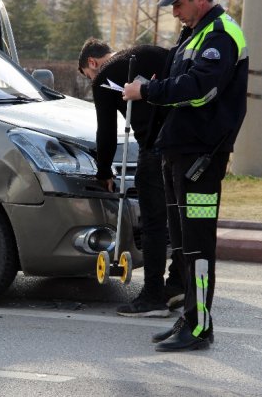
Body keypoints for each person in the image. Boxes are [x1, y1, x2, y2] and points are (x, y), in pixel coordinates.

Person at [122, 0, 248, 351]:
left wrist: (148, 91)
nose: (174, 12)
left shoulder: (221, 34)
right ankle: (190, 319)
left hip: (202, 158)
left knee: (198, 247)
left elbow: (201, 89)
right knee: (184, 246)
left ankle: (199, 328)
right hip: (180, 152)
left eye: (177, 4)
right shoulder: (195, 33)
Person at [77, 38, 185, 317]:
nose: (92, 78)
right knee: (179, 216)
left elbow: (106, 133)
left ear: (91, 63)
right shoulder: (146, 51)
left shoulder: (103, 76)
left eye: (88, 74)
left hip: (154, 144)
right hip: (186, 141)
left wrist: (103, 172)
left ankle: (152, 296)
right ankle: (178, 283)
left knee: (153, 222)